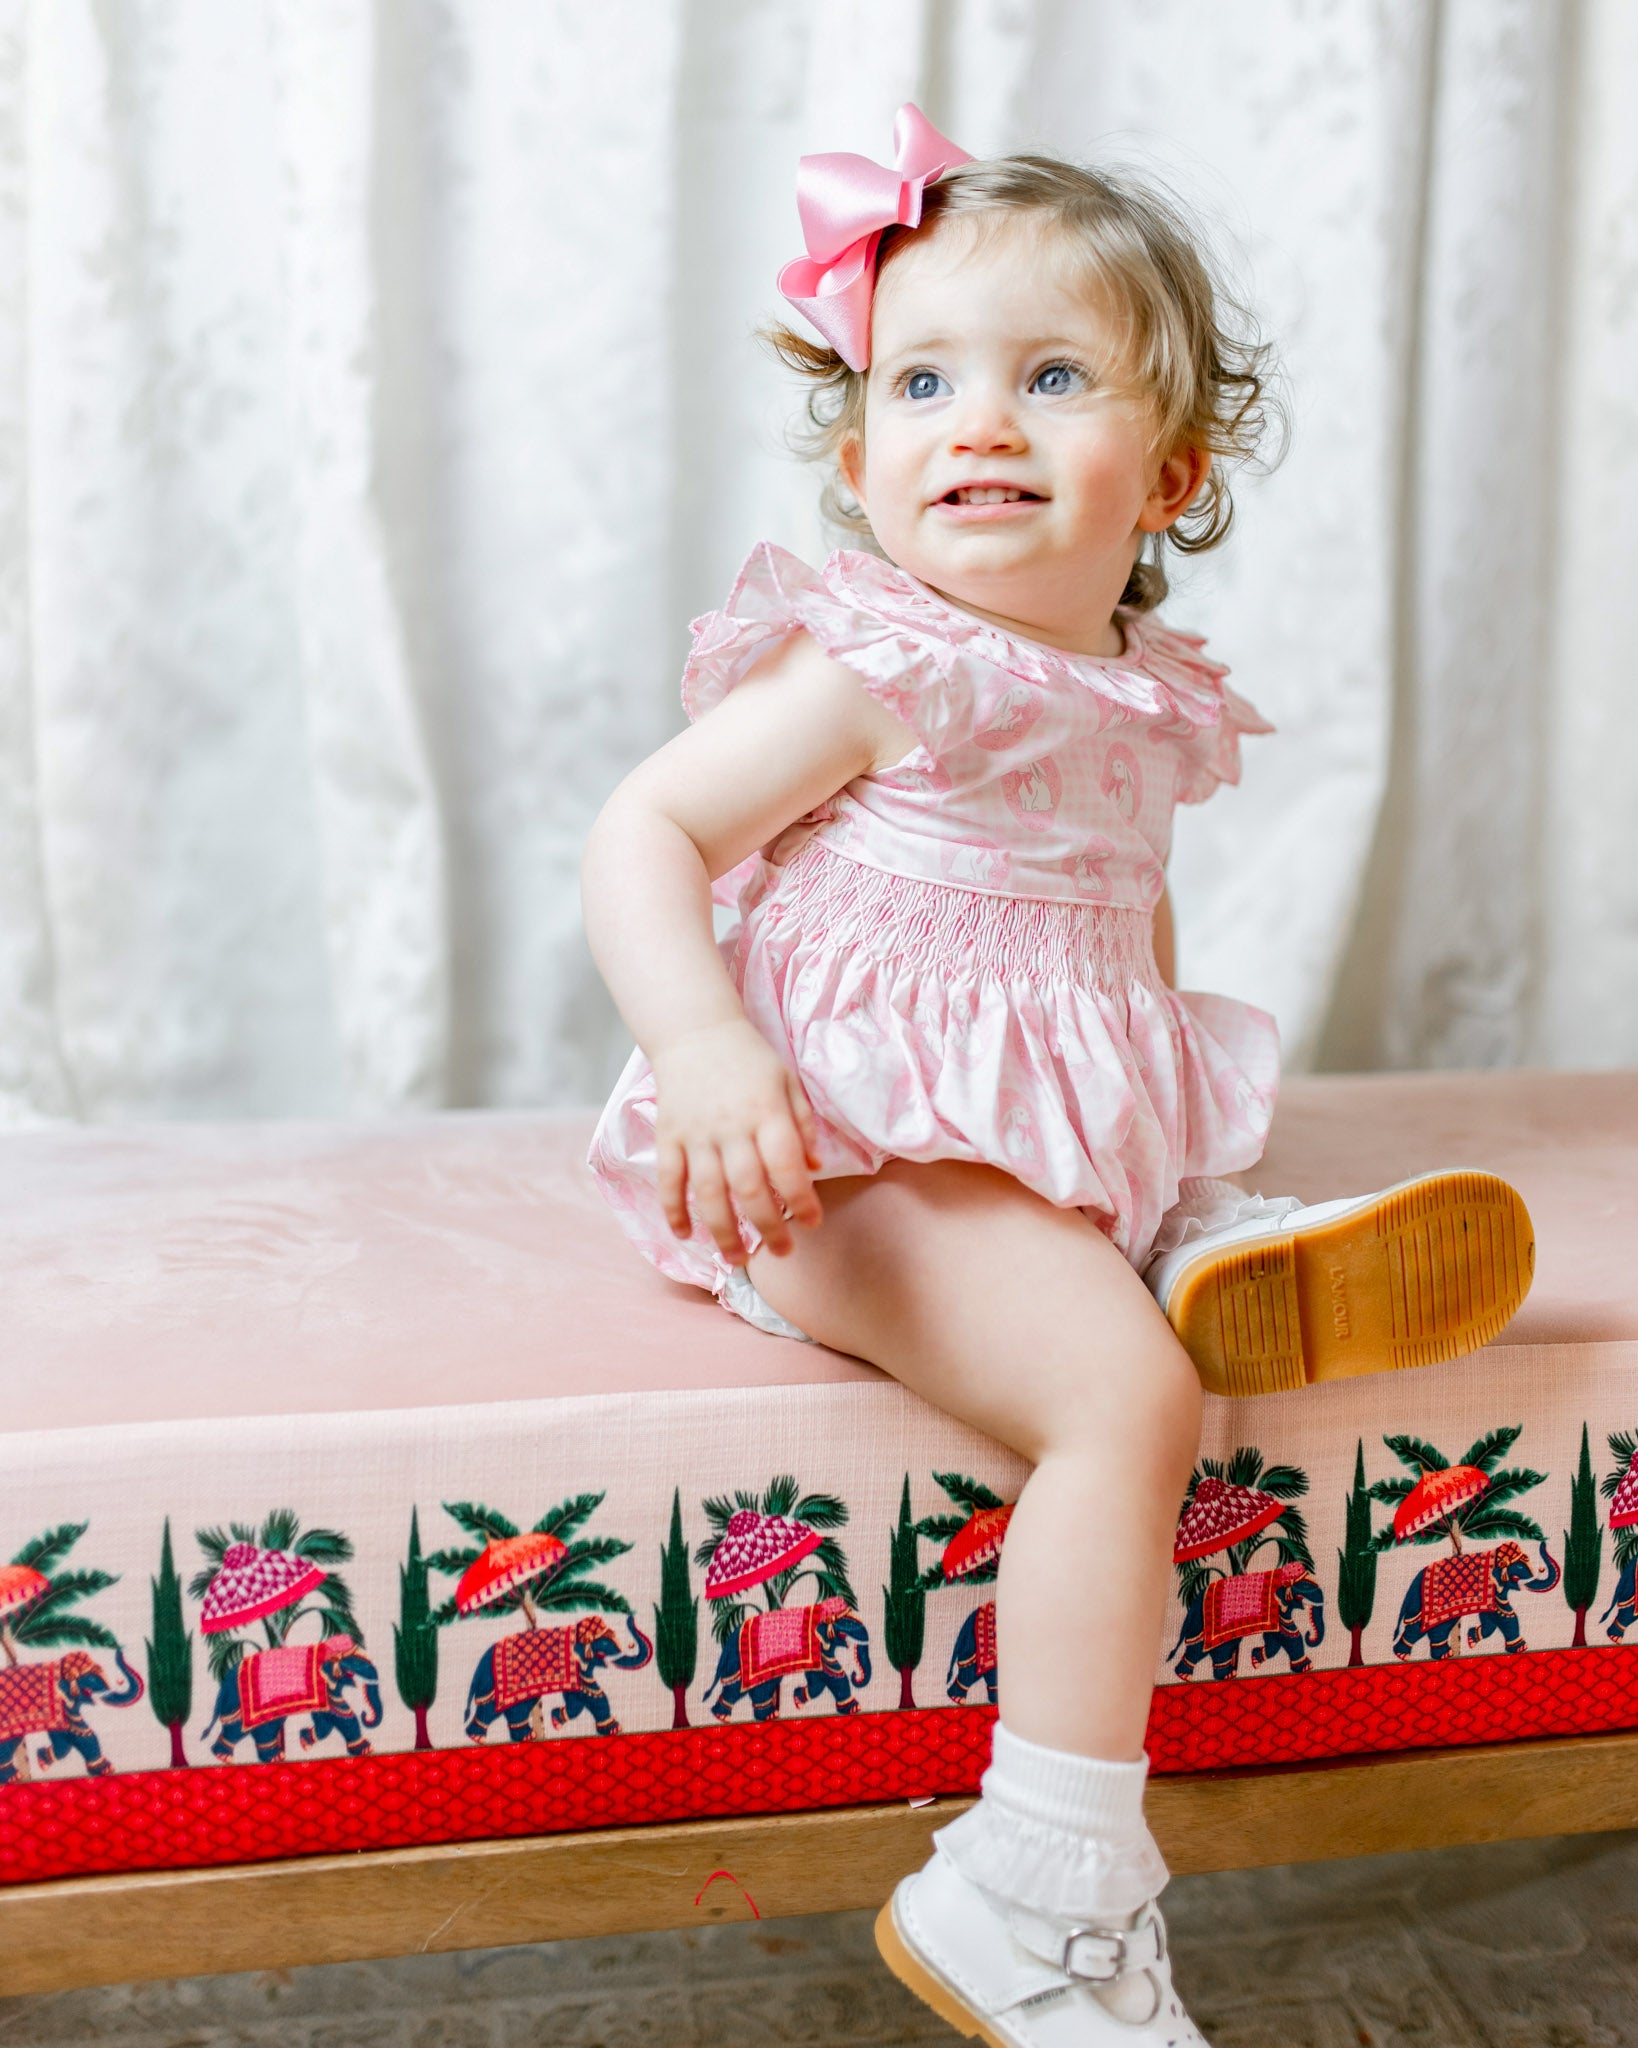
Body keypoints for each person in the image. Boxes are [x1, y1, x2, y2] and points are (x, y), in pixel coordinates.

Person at [581, 106, 1533, 2047]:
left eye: (1051, 378)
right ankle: (1038, 1884)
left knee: (1142, 1217)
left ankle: (1179, 1222)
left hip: (1006, 1131)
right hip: (825, 1154)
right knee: (1126, 1401)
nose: (980, 424)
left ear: (1167, 475)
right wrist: (706, 1048)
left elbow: (1115, 926)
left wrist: (1155, 1124)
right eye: (922, 382)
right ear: (862, 459)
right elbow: (641, 834)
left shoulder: (1130, 691)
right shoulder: (880, 665)